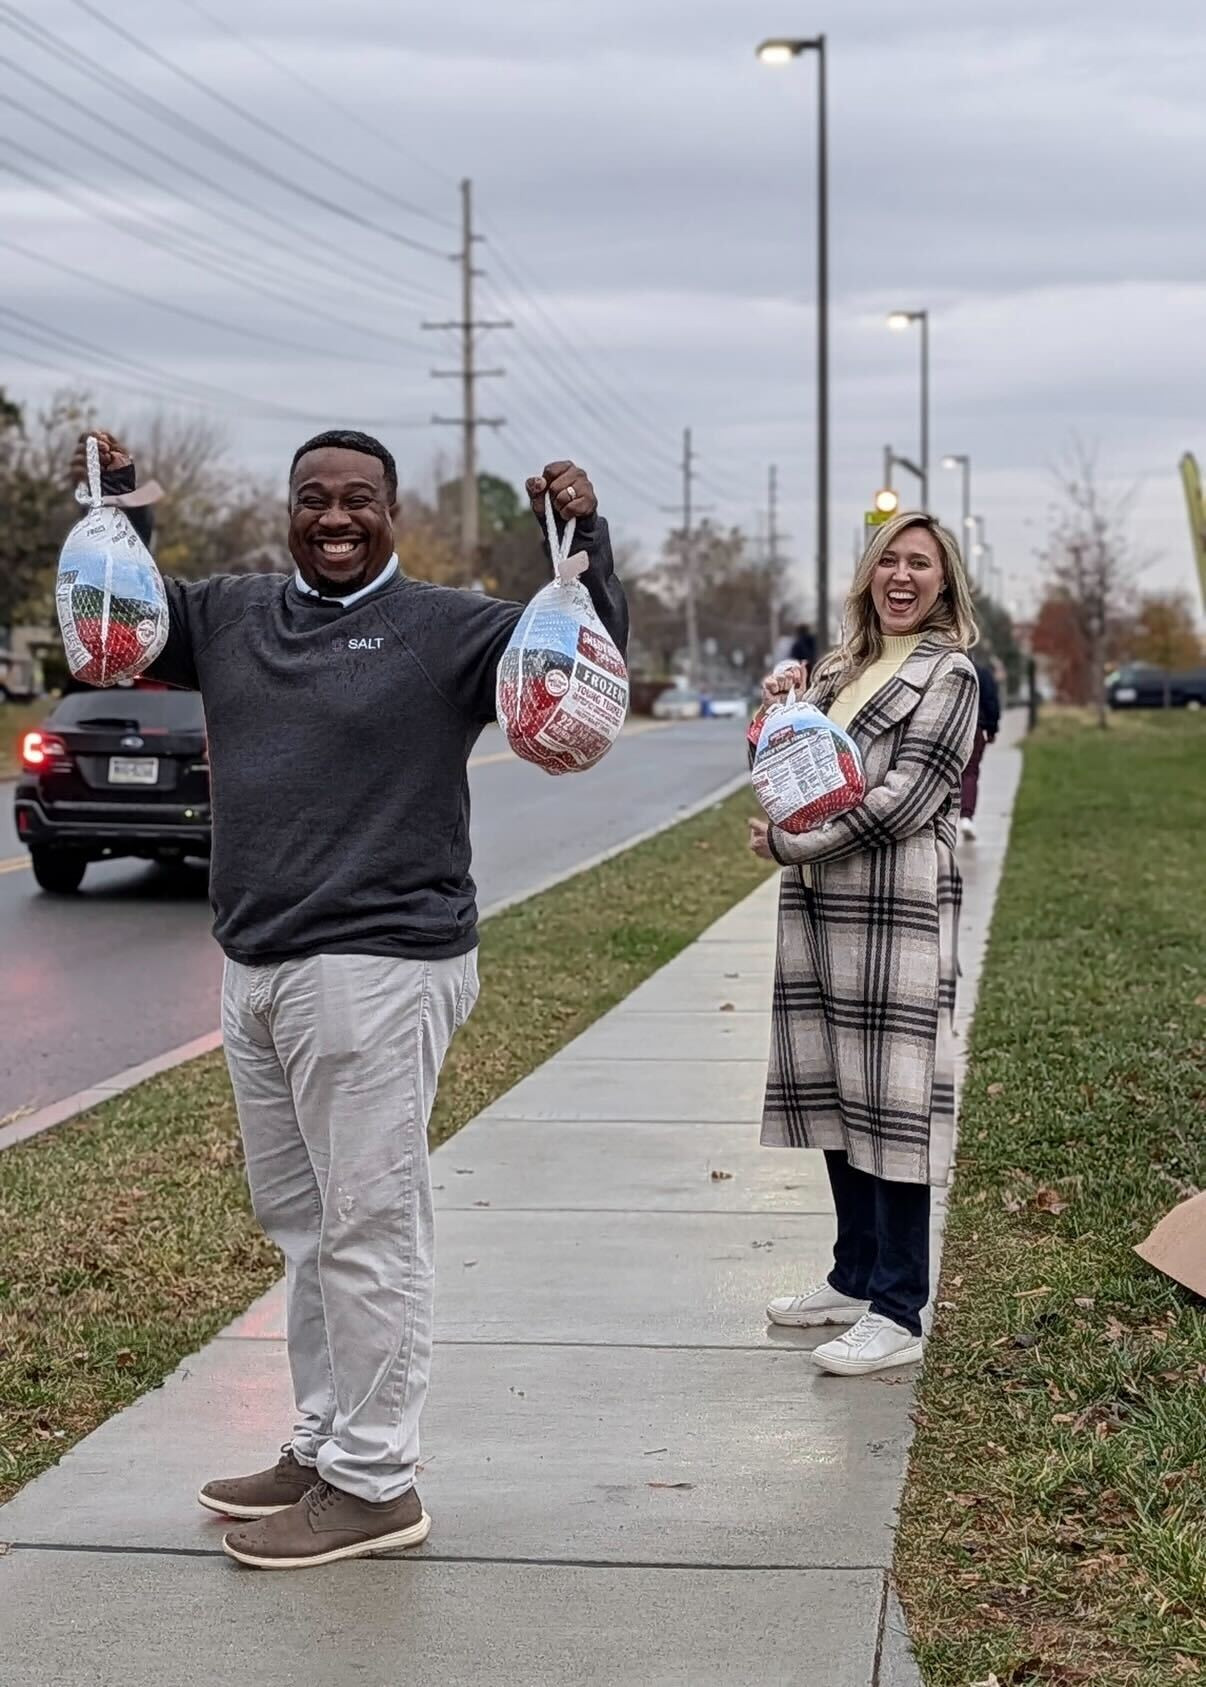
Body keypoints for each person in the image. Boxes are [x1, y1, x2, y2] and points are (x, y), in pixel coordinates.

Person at [67, 428, 627, 1568]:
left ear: (392, 513)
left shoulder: (445, 628)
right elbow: (125, 627)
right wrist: (123, 505)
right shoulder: (233, 615)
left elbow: (577, 665)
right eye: (314, 499)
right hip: (259, 964)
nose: (335, 515)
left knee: (371, 1231)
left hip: (380, 963)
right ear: (289, 512)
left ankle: (378, 1479)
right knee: (307, 1228)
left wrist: (583, 543)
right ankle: (324, 1444)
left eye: (358, 499)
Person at [748, 510, 978, 1376]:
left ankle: (898, 1306)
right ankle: (852, 1275)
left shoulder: (949, 674)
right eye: (890, 561)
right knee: (841, 1096)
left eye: (920, 563)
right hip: (819, 909)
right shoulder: (842, 667)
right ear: (867, 575)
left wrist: (790, 846)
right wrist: (778, 713)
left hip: (895, 907)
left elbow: (905, 801)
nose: (902, 576)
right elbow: (792, 774)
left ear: (945, 581)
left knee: (896, 1104)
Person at [959, 656, 1001, 841]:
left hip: (950, 727)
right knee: (970, 772)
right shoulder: (982, 673)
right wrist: (991, 729)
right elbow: (991, 702)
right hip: (976, 727)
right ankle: (966, 817)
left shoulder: (947, 668)